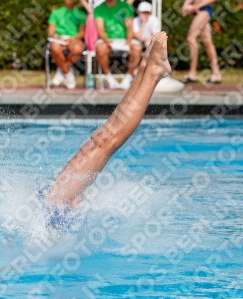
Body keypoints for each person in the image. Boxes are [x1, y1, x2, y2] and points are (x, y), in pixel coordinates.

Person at [42, 32, 171, 226]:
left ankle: (144, 72)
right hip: (47, 221)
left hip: (43, 212)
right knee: (104, 141)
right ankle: (152, 74)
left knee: (100, 138)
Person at [94, 0, 143, 90]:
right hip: (107, 39)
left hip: (124, 39)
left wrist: (128, 41)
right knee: (100, 49)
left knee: (137, 48)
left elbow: (129, 27)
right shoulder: (98, 9)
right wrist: (106, 41)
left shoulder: (126, 7)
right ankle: (110, 80)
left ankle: (127, 79)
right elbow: (100, 29)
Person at [48, 0, 87, 89]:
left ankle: (62, 70)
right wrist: (58, 37)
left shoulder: (81, 14)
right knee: (54, 47)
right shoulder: (56, 12)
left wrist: (72, 39)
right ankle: (68, 73)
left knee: (77, 49)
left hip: (74, 39)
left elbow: (82, 32)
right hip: (59, 39)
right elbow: (51, 31)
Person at [181, 0, 222, 84]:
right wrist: (186, 5)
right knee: (207, 41)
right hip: (201, 11)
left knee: (191, 38)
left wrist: (196, 6)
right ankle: (216, 74)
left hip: (204, 10)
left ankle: (192, 74)